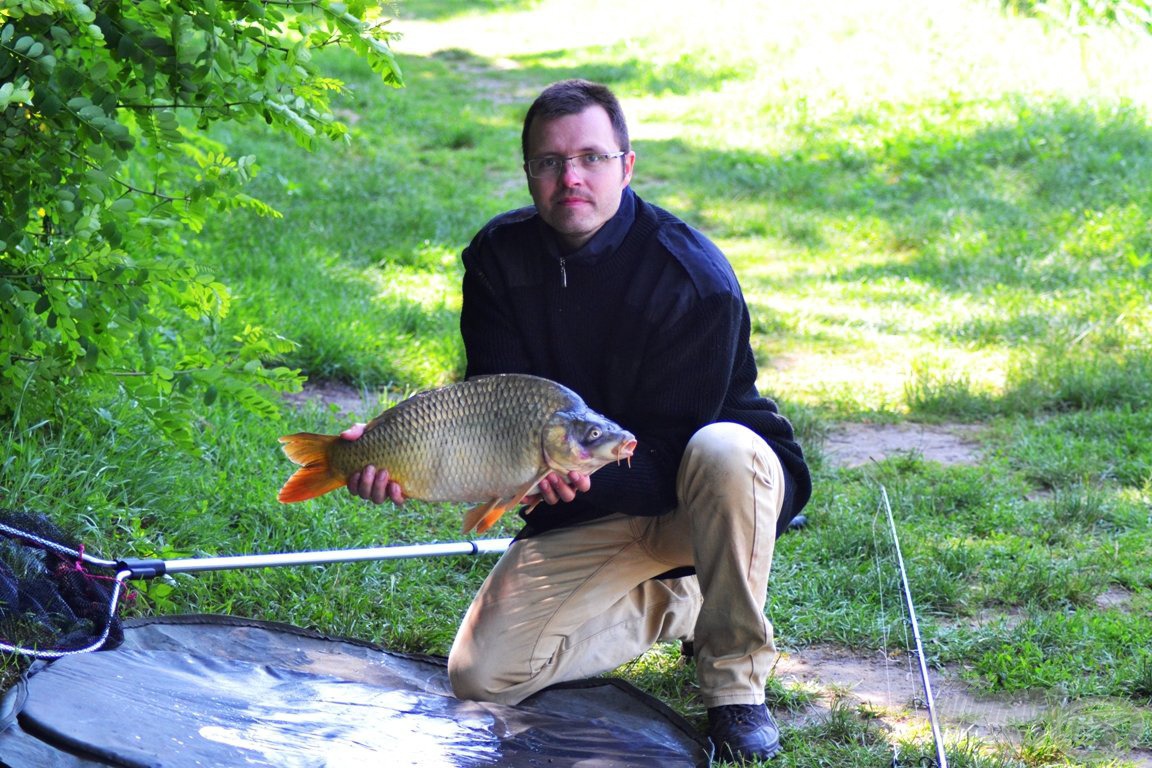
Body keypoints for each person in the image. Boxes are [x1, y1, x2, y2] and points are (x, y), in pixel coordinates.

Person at [345, 78, 812, 762]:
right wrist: (400, 460)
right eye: (550, 162)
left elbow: (668, 447)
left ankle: (734, 682)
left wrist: (570, 475)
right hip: (581, 483)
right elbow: (491, 409)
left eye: (592, 158)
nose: (571, 178)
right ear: (529, 171)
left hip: (706, 492)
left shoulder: (692, 279)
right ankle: (686, 600)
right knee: (480, 675)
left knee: (723, 449)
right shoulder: (497, 261)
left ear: (626, 166)